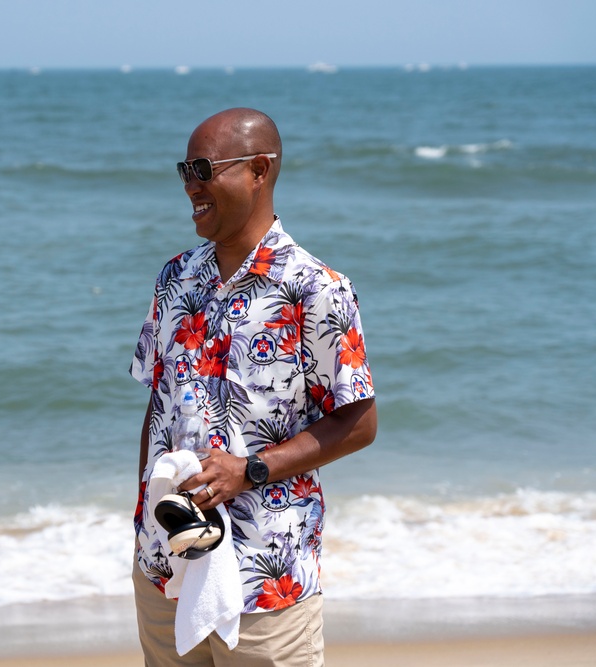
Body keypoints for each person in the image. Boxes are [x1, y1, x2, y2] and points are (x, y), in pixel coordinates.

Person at [130, 108, 377, 666]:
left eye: (203, 168)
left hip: (266, 572)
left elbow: (359, 423)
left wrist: (251, 470)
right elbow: (157, 403)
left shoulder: (317, 290)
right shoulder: (174, 277)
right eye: (183, 169)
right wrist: (144, 511)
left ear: (260, 170)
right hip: (164, 559)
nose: (190, 184)